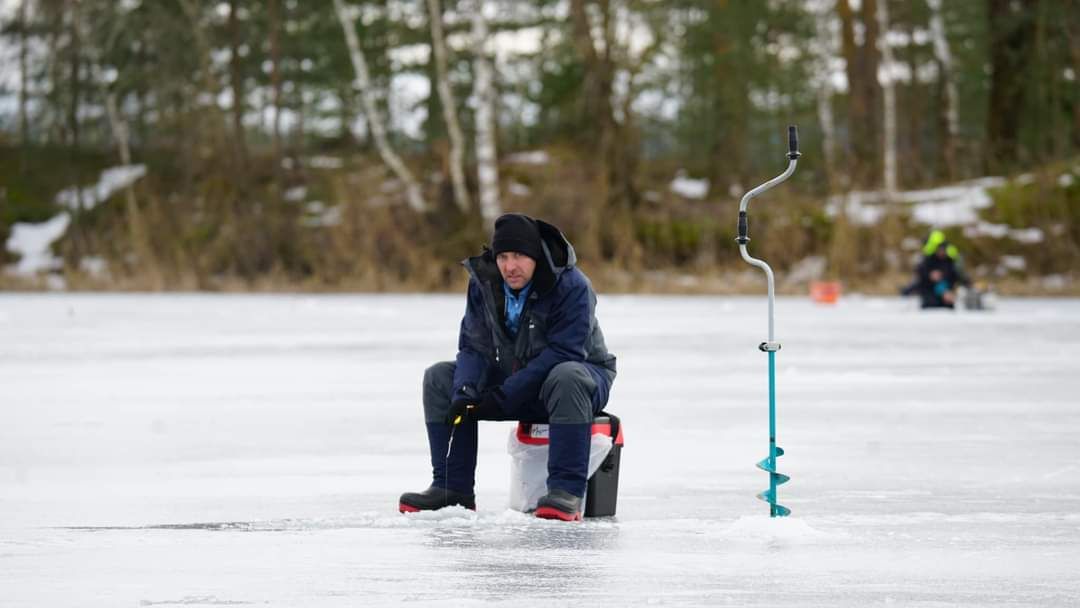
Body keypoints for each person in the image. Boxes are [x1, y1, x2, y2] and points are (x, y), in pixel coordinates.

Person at [399, 213, 617, 521]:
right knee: (440, 378)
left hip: (579, 378)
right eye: (503, 256)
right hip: (516, 376)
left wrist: (501, 396)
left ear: (536, 257)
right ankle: (452, 488)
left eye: (519, 256)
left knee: (567, 375)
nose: (509, 266)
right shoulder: (485, 283)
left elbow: (564, 352)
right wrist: (465, 391)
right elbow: (474, 346)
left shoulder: (572, 285)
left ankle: (565, 491)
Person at [901, 230, 970, 309]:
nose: (942, 251)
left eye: (943, 248)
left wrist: (952, 291)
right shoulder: (928, 261)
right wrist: (930, 276)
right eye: (939, 248)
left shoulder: (950, 262)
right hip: (930, 296)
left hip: (947, 297)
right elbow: (920, 275)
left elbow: (957, 277)